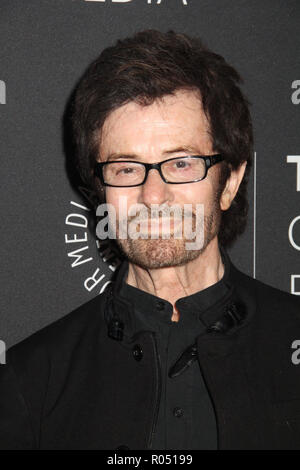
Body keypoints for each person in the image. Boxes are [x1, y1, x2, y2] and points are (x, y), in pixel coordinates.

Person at [1, 29, 300, 450]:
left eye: (181, 163)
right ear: (101, 189)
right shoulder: (30, 380)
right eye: (126, 168)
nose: (152, 196)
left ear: (230, 181)